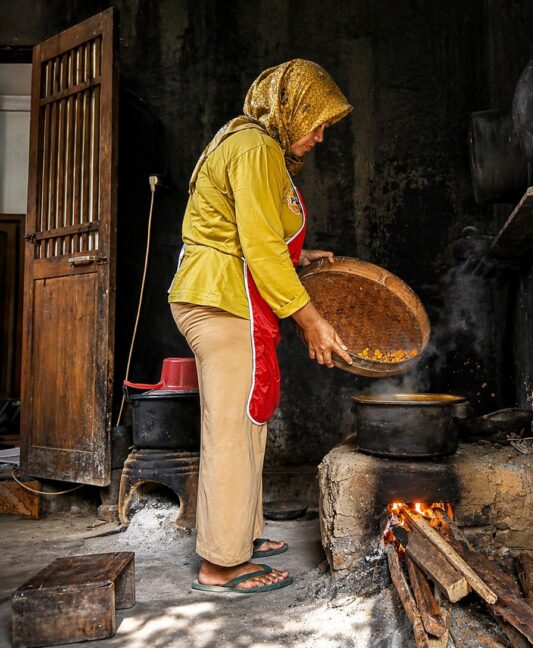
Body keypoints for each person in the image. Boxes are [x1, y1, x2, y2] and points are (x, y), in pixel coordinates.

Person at [168, 60, 353, 593]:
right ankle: (221, 564)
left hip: (226, 293)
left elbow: (252, 234)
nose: (320, 136)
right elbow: (260, 246)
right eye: (315, 122)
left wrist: (300, 258)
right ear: (287, 109)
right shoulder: (256, 149)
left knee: (247, 420)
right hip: (222, 299)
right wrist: (311, 319)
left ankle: (239, 537)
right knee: (231, 430)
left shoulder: (254, 144)